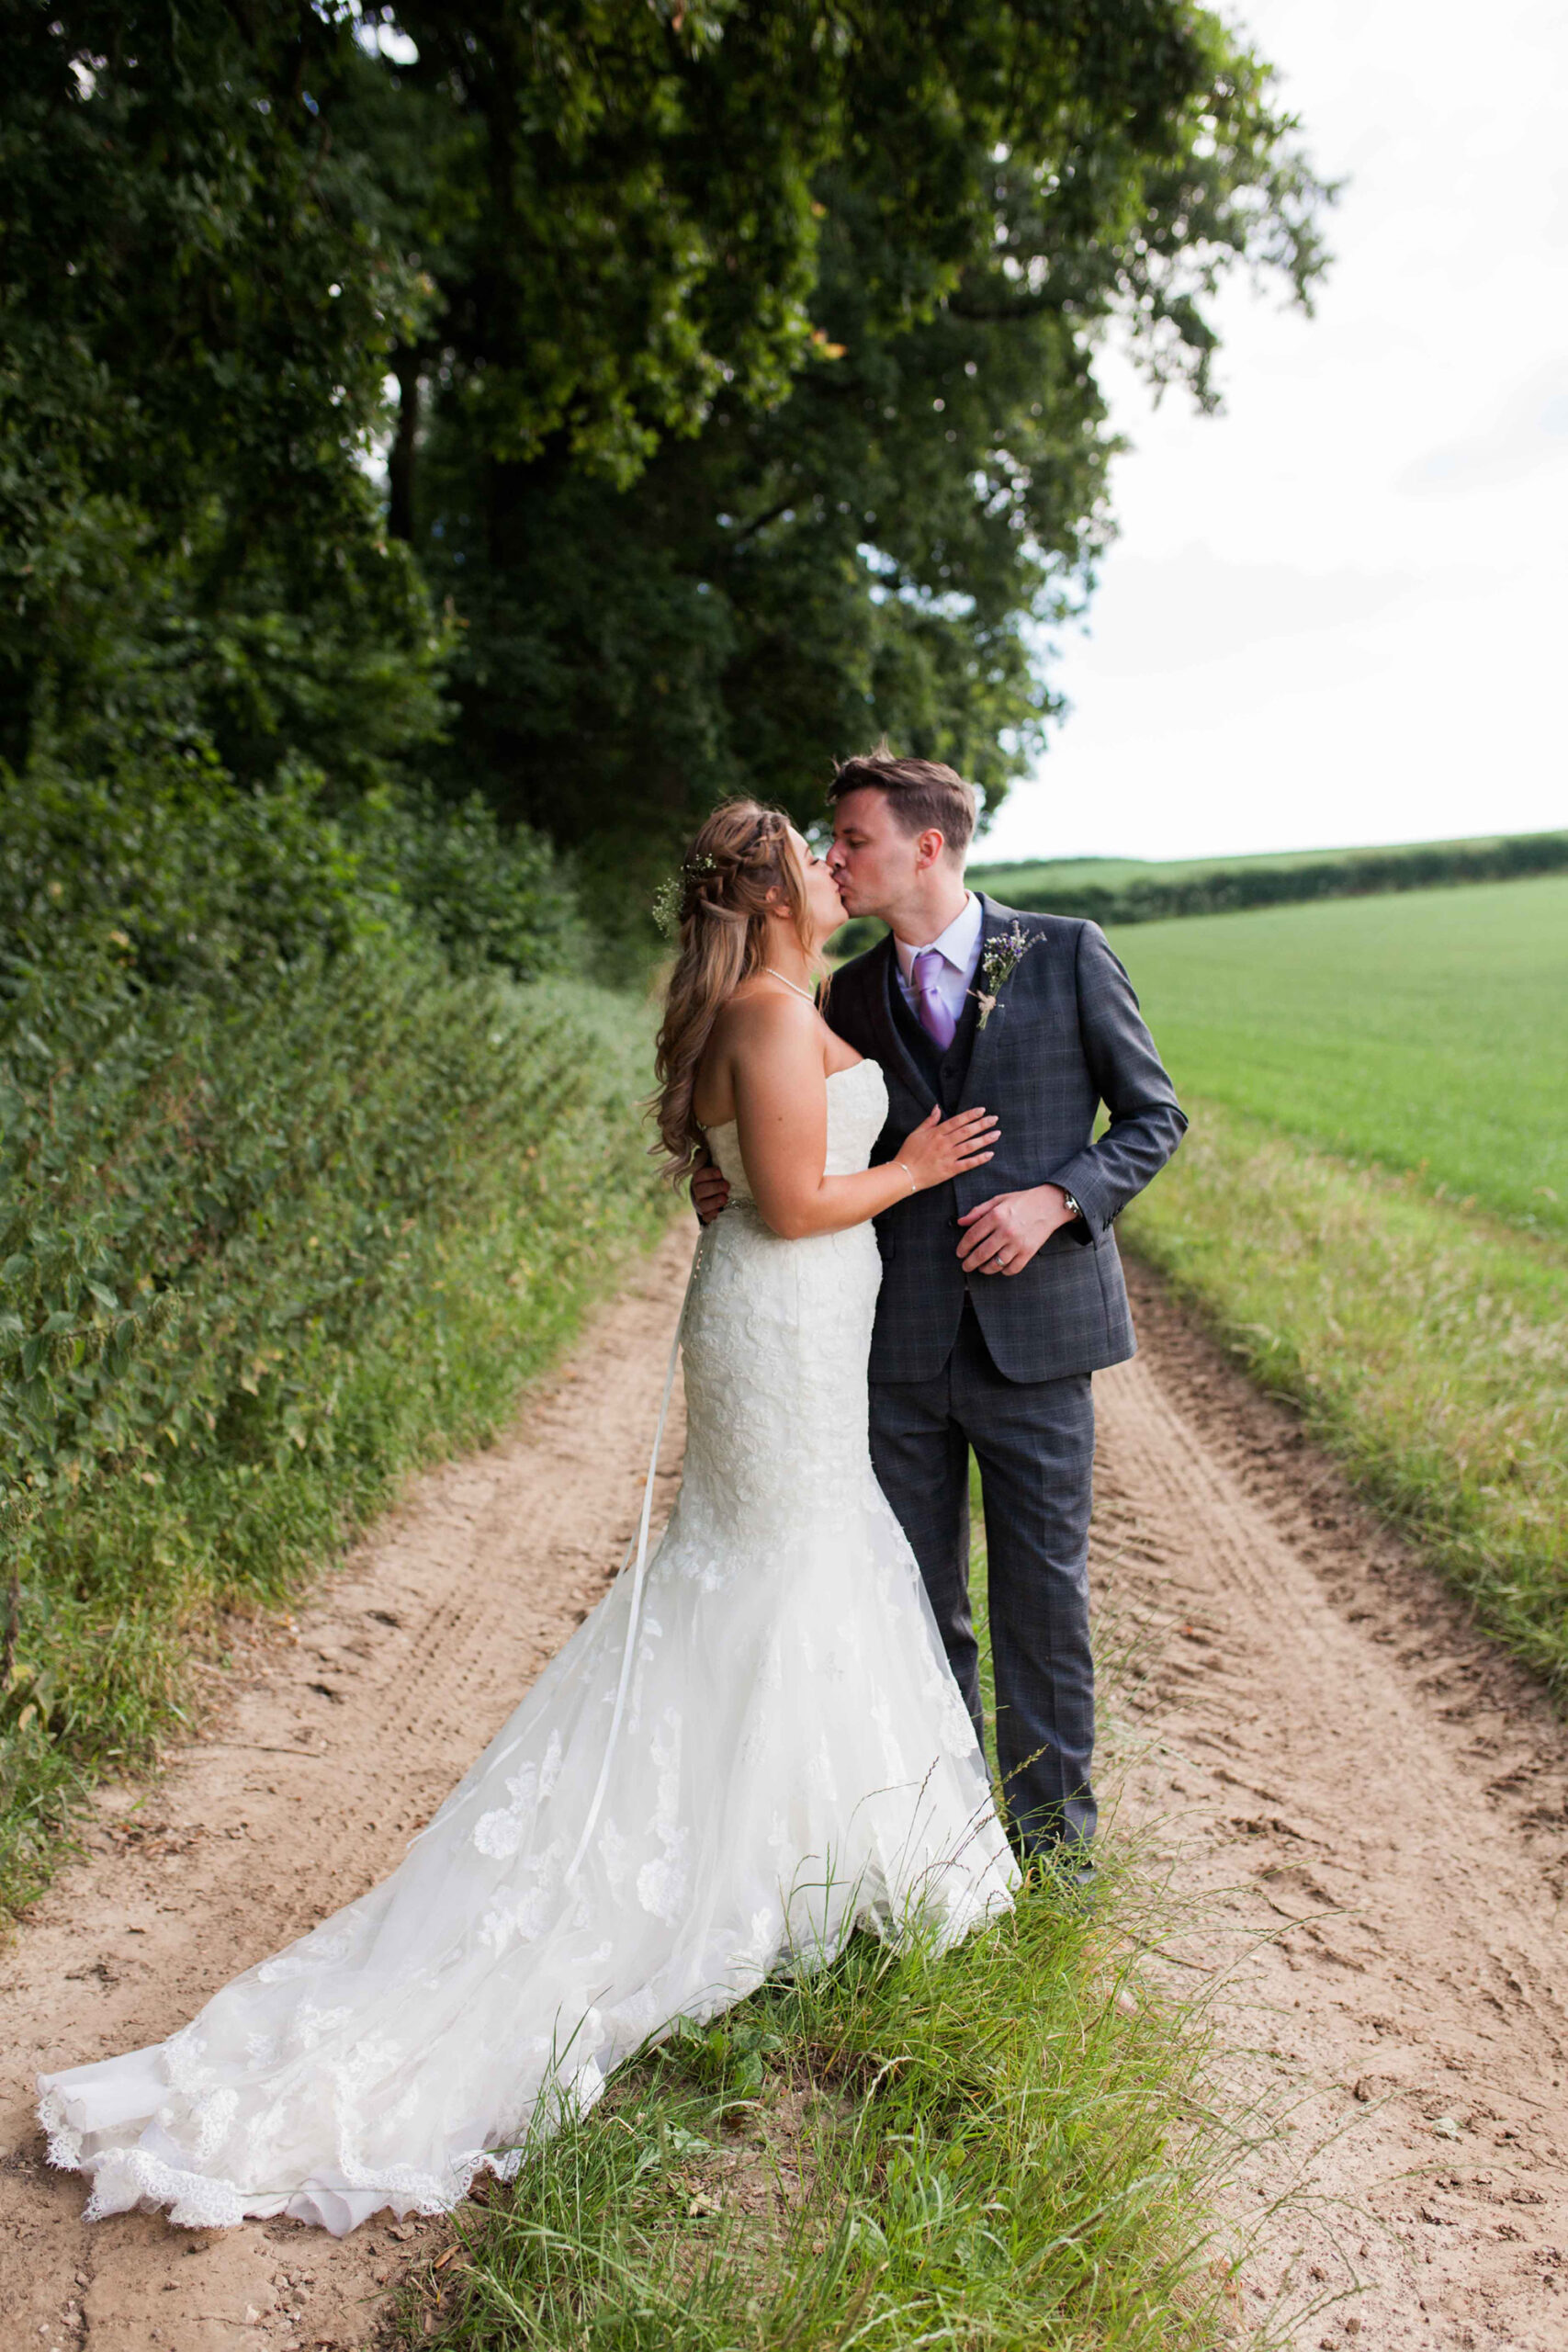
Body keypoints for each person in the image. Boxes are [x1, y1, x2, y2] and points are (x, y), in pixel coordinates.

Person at [38, 800, 1017, 2237]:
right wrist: (919, 1171)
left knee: (795, 1570)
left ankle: (814, 1857)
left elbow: (740, 1179)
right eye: (809, 852)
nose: (828, 862)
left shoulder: (777, 1001)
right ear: (764, 891)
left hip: (796, 1331)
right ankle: (770, 1866)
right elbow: (799, 1204)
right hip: (781, 1314)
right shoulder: (758, 1008)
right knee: (770, 1570)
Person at [694, 750, 1187, 1873]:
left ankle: (1053, 1857)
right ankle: (944, 1848)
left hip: (1038, 1339)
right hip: (891, 1342)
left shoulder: (1064, 953)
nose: (836, 859)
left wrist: (1059, 1201)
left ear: (927, 845)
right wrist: (721, 1178)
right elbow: (793, 1135)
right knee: (913, 1605)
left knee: (1041, 1604)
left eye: (853, 839)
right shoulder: (845, 990)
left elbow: (1154, 1119)